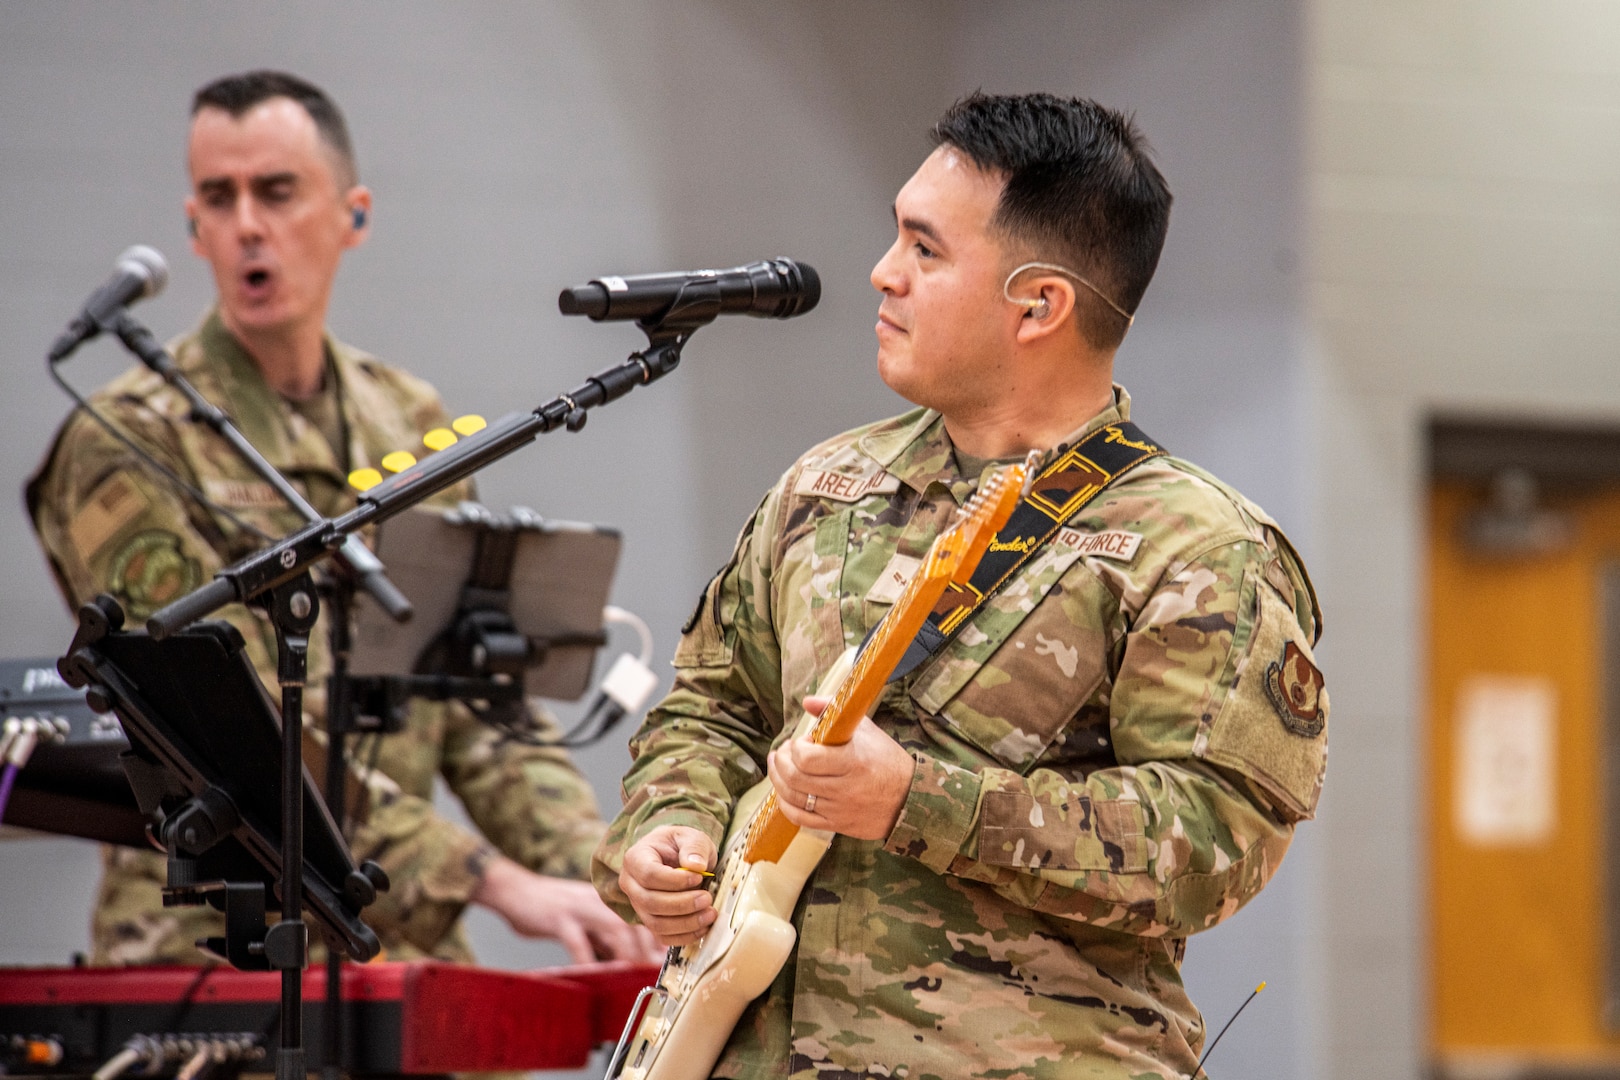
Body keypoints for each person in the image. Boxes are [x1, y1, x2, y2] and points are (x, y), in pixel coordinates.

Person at [593, 92, 1328, 1078]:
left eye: (925, 250)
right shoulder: (826, 486)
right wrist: (665, 829)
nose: (882, 273)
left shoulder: (1195, 546)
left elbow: (1213, 846)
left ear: (1040, 304)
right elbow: (711, 710)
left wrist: (920, 801)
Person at [27, 70, 656, 968]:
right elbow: (240, 731)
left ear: (351, 214)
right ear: (195, 227)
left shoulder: (413, 420)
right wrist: (488, 878)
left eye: (277, 192)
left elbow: (473, 699)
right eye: (219, 197)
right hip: (210, 947)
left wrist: (602, 878)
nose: (248, 222)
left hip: (384, 935)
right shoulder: (126, 441)